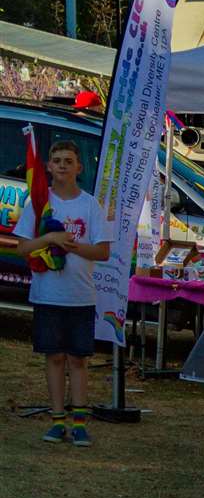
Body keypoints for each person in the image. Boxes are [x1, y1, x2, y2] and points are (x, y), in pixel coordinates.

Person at [13, 139, 112, 447]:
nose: (62, 166)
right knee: (54, 358)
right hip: (47, 295)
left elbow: (103, 252)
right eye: (57, 160)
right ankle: (57, 421)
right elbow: (23, 247)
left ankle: (79, 422)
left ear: (79, 167)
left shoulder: (90, 204)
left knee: (78, 360)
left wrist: (71, 245)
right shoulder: (40, 203)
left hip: (80, 296)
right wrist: (51, 237)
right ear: (49, 167)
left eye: (69, 161)